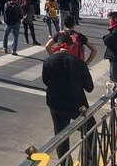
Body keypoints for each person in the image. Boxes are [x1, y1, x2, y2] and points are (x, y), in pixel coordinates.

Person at [42, 31, 95, 166]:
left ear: (58, 45)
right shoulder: (78, 63)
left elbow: (46, 81)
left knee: (60, 136)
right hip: (78, 105)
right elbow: (89, 87)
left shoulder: (48, 61)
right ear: (70, 46)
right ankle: (90, 159)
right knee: (90, 130)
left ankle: (65, 163)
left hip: (56, 104)